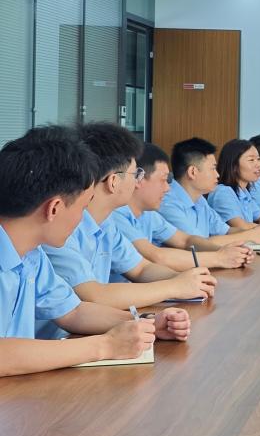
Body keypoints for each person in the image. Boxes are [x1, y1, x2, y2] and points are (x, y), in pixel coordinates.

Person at [0, 126, 189, 377]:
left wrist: (146, 323)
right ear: (54, 208)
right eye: (82, 207)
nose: (83, 219)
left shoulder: (32, 255)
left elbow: (73, 311)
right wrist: (105, 345)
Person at [41, 123, 217, 319]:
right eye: (135, 174)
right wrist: (174, 287)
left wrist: (185, 280)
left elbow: (141, 268)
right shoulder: (61, 227)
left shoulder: (106, 223)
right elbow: (93, 295)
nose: (137, 182)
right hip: (71, 333)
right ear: (113, 181)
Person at [110, 143, 253, 271]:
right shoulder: (117, 214)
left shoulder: (148, 214)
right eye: (163, 180)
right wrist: (219, 257)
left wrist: (224, 251)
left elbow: (186, 240)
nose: (167, 188)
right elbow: (156, 256)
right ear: (138, 178)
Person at [159, 138, 260, 246]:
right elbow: (197, 244)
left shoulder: (199, 199)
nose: (217, 175)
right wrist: (248, 236)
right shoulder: (167, 202)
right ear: (193, 172)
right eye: (213, 169)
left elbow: (226, 231)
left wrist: (257, 232)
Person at [208, 139, 260, 230]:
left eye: (258, 159)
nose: (258, 164)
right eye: (251, 160)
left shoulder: (243, 191)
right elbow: (241, 226)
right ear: (234, 165)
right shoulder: (222, 192)